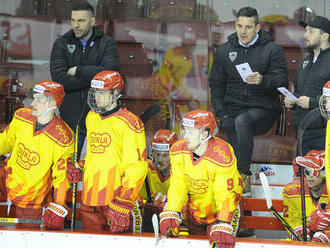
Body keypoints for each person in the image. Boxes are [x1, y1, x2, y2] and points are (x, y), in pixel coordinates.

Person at [209, 7, 288, 180]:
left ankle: (242, 174)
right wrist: (221, 112)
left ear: (258, 28)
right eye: (239, 26)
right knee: (232, 124)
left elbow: (282, 81)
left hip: (263, 109)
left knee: (242, 121)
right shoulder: (223, 51)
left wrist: (262, 80)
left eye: (248, 27)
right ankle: (233, 183)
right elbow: (215, 85)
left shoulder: (273, 50)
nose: (243, 31)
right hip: (233, 109)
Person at [66, 70, 148, 232]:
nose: (97, 96)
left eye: (102, 92)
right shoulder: (91, 117)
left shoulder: (131, 122)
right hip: (90, 199)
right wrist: (81, 167)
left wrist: (125, 200)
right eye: (95, 92)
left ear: (116, 93)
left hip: (116, 201)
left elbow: (137, 167)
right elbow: (96, 155)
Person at [159, 110, 242, 248]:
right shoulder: (177, 149)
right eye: (184, 130)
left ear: (205, 134)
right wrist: (172, 211)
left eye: (191, 132)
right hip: (194, 213)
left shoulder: (222, 154)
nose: (185, 136)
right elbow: (178, 185)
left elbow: (225, 193)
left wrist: (223, 222)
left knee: (220, 244)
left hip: (221, 213)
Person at [0, 81, 74, 230]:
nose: (33, 103)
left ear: (52, 103)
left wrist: (59, 204)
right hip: (7, 183)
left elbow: (61, 176)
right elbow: (5, 142)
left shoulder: (63, 136)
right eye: (34, 98)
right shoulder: (21, 116)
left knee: (25, 239)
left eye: (39, 99)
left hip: (32, 199)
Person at [50, 2, 119, 156]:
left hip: (100, 119)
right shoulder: (61, 43)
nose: (76, 25)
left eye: (81, 21)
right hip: (68, 119)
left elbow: (110, 74)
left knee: (92, 170)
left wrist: (78, 71)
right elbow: (59, 79)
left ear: (92, 21)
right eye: (73, 20)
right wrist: (95, 80)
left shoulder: (107, 44)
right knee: (69, 170)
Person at [284, 16, 330, 155]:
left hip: (324, 133)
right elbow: (299, 91)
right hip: (303, 131)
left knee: (322, 176)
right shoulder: (305, 61)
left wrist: (312, 102)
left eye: (311, 31)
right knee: (304, 176)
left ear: (325, 36)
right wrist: (292, 101)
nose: (305, 35)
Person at [283, 151, 330, 242]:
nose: (310, 177)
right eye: (308, 172)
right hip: (304, 241)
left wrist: (327, 235)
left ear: (326, 174)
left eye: (315, 172)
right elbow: (292, 220)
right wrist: (297, 231)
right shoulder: (291, 191)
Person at [140, 129, 178, 231]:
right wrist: (145, 202)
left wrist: (166, 202)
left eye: (165, 155)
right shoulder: (144, 169)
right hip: (147, 226)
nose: (160, 159)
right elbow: (133, 199)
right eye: (157, 154)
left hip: (174, 224)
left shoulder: (182, 173)